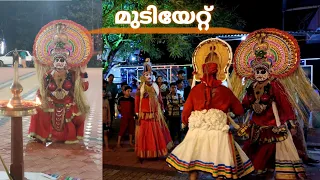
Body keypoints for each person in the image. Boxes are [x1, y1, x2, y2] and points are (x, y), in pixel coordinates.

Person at [230, 28, 320, 179]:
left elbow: (285, 104)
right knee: (253, 149)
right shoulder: (252, 86)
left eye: (262, 72)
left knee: (269, 153)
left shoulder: (275, 85)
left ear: (269, 71)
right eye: (257, 72)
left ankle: (267, 173)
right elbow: (246, 103)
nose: (259, 75)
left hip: (272, 125)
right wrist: (235, 111)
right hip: (255, 125)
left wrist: (291, 123)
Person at [166, 38, 254, 180]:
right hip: (219, 135)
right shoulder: (225, 91)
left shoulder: (195, 90)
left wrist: (187, 122)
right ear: (218, 71)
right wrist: (227, 114)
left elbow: (186, 112)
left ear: (202, 72)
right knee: (220, 169)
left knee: (193, 168)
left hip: (197, 133)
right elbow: (239, 110)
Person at [29, 20, 92, 144]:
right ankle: (42, 135)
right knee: (39, 110)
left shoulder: (72, 74)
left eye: (61, 60)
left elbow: (83, 87)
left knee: (78, 113)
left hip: (68, 102)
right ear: (53, 61)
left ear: (66, 62)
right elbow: (42, 91)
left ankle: (68, 136)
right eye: (57, 60)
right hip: (52, 102)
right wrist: (41, 98)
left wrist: (83, 75)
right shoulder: (47, 75)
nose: (59, 62)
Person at [135, 59, 173, 162]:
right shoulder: (141, 88)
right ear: (143, 76)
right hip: (144, 114)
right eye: (146, 75)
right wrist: (137, 112)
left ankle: (156, 152)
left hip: (155, 113)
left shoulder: (156, 86)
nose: (149, 76)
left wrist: (162, 109)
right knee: (144, 134)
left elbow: (160, 99)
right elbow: (137, 100)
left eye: (150, 74)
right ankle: (143, 154)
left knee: (157, 133)